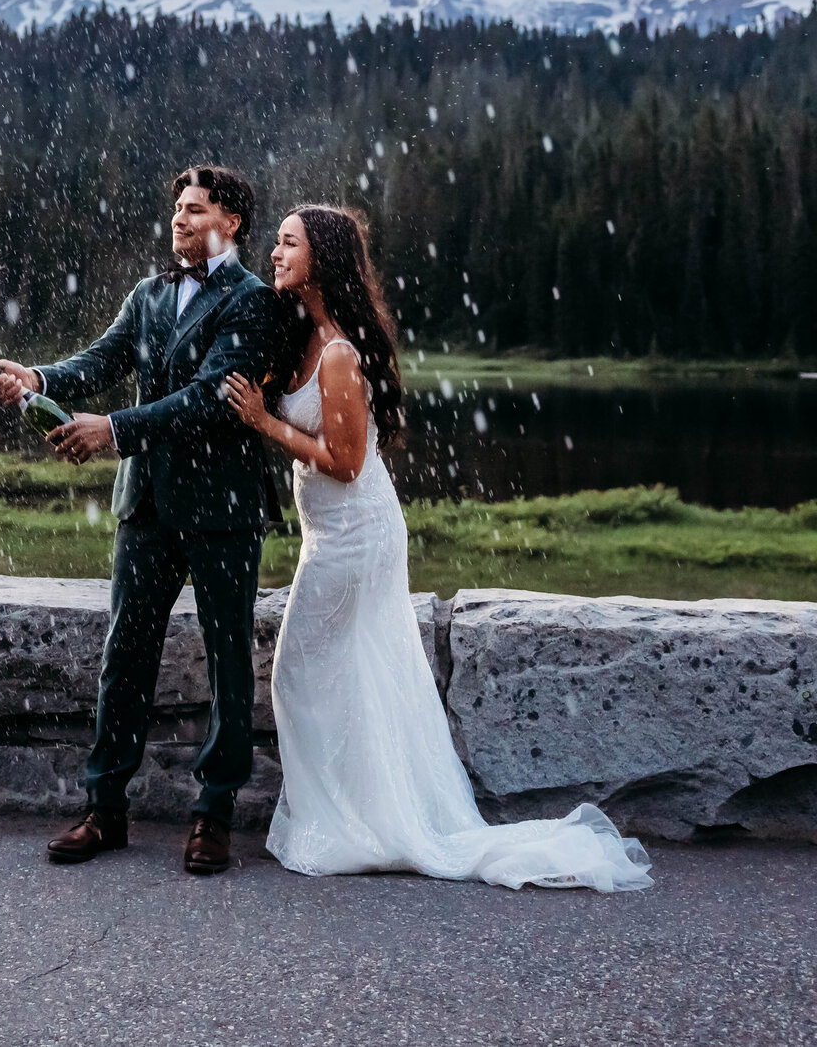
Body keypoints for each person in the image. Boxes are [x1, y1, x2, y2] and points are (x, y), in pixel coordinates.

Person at [226, 205, 652, 891]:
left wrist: (262, 422)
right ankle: (349, 815)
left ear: (321, 259)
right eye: (275, 242)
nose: (273, 253)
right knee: (345, 675)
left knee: (298, 672)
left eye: (287, 244)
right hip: (329, 534)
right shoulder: (305, 335)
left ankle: (356, 825)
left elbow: (343, 462)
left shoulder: (336, 353)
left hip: (356, 534)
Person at [0, 165, 280, 875]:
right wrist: (40, 379)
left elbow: (212, 399)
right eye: (176, 208)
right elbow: (104, 359)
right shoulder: (148, 294)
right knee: (125, 657)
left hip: (223, 510)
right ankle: (104, 808)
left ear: (232, 223)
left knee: (229, 660)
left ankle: (213, 814)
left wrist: (113, 431)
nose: (178, 220)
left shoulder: (254, 303)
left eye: (195, 209)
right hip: (145, 505)